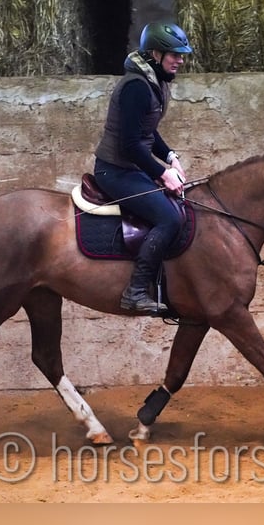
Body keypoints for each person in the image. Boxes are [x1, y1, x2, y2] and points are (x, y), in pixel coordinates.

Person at [93, 21, 192, 314]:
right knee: (169, 219)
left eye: (181, 54)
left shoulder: (154, 82)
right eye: (173, 54)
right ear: (154, 54)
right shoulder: (135, 87)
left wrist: (171, 156)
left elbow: (147, 132)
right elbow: (130, 145)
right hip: (114, 171)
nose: (180, 60)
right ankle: (135, 292)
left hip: (130, 168)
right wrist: (162, 173)